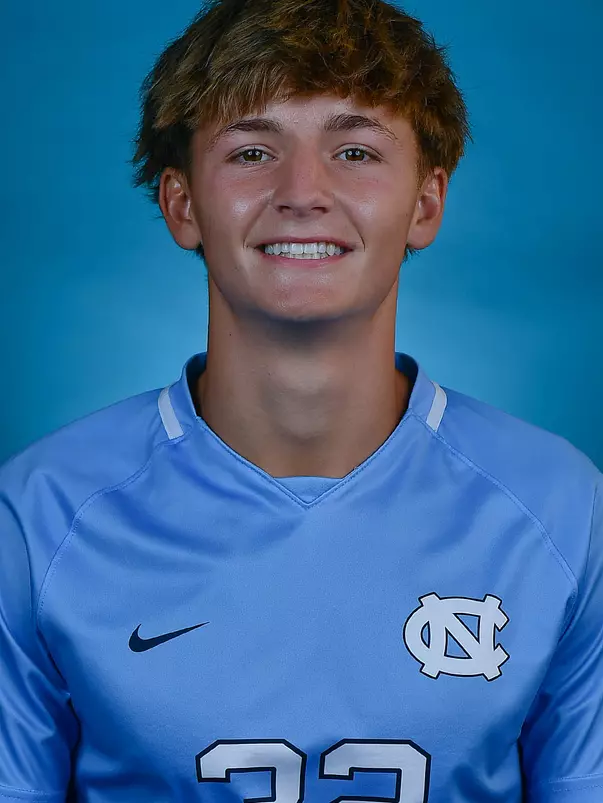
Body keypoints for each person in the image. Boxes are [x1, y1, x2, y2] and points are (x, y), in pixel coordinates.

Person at [1, 0, 601, 799]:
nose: (302, 192)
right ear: (182, 204)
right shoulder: (40, 514)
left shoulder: (560, 508)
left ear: (425, 202)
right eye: (252, 150)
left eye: (354, 149)